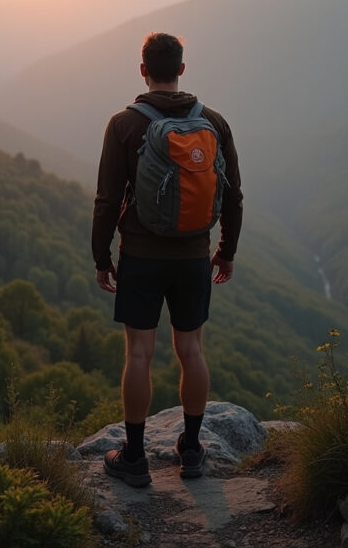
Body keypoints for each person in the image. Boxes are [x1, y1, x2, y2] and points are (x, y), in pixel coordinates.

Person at [92, 31, 243, 486]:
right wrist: (226, 251)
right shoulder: (213, 121)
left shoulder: (124, 124)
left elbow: (106, 199)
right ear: (181, 69)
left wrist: (101, 257)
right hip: (194, 256)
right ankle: (193, 450)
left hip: (140, 255)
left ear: (143, 70)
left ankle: (135, 457)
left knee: (139, 353)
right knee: (191, 349)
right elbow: (233, 196)